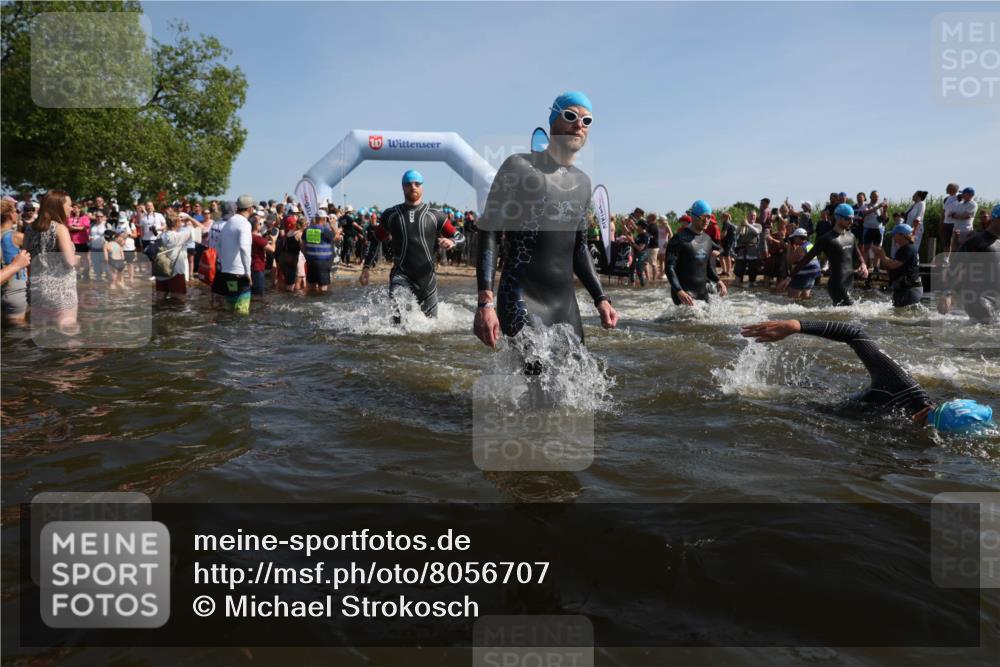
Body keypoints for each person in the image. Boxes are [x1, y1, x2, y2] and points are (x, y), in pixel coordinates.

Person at [473, 92, 618, 348]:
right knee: (538, 379)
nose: (579, 125)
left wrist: (601, 298)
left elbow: (580, 247)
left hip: (565, 305)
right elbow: (490, 231)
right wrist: (486, 302)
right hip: (520, 297)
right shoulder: (518, 166)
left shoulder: (583, 182)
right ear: (553, 121)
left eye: (587, 121)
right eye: (571, 116)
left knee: (577, 384)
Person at [741, 319, 994, 434]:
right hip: (819, 405)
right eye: (926, 424)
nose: (920, 425)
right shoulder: (902, 384)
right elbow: (855, 334)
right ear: (926, 413)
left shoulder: (911, 430)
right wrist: (796, 326)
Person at [360, 170, 463, 321]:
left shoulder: (436, 215)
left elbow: (460, 237)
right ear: (403, 187)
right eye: (408, 184)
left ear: (422, 187)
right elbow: (375, 239)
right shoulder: (391, 214)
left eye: (417, 184)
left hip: (427, 279)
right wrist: (366, 268)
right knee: (397, 326)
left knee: (432, 327)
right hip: (400, 276)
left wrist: (452, 242)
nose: (413, 187)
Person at [781, 203, 868, 306]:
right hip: (836, 284)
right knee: (849, 311)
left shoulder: (851, 236)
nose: (851, 222)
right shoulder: (827, 239)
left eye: (852, 219)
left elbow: (858, 255)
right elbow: (806, 259)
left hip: (849, 282)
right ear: (839, 218)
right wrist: (789, 277)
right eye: (848, 219)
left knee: (844, 314)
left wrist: (863, 265)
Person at [22, 190, 79, 334]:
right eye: (69, 205)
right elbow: (70, 261)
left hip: (37, 289)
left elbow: (26, 257)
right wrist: (77, 258)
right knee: (67, 333)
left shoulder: (29, 228)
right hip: (60, 290)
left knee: (44, 335)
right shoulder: (60, 229)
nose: (71, 208)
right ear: (59, 206)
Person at [940, 203, 1000, 324]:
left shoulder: (998, 242)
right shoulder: (976, 241)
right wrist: (948, 294)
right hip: (979, 301)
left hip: (996, 300)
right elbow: (956, 266)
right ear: (997, 219)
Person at [665, 199, 727, 306]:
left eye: (709, 217)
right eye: (704, 217)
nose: (707, 220)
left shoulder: (707, 239)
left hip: (702, 293)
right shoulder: (679, 239)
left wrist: (718, 280)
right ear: (693, 216)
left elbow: (706, 266)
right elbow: (669, 268)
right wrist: (679, 291)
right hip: (684, 295)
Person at [214, 195, 254, 314]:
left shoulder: (229, 222)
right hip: (240, 274)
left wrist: (223, 264)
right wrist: (248, 272)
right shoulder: (245, 224)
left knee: (230, 309)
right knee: (241, 312)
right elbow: (244, 248)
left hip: (226, 273)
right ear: (250, 209)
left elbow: (218, 245)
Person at [873, 224, 923, 307]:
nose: (893, 237)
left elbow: (893, 265)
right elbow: (893, 269)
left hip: (910, 289)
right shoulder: (906, 248)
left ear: (902, 235)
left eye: (894, 235)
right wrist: (882, 259)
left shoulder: (907, 249)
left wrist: (882, 255)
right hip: (906, 288)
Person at [154, 212, 192, 302]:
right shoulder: (179, 235)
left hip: (160, 271)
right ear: (177, 223)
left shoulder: (160, 236)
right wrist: (189, 219)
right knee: (179, 301)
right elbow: (199, 229)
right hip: (175, 271)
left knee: (160, 300)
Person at [1, 202, 28, 322]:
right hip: (14, 290)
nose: (18, 214)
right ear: (10, 215)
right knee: (17, 333)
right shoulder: (18, 237)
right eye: (16, 211)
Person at [303, 209, 339, 295]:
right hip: (323, 263)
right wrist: (333, 225)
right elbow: (336, 237)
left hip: (311, 261)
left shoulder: (307, 230)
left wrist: (306, 255)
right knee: (323, 288)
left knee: (311, 286)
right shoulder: (325, 231)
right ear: (324, 219)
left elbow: (303, 244)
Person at [785, 228, 820, 299]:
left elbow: (789, 260)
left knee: (791, 299)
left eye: (794, 238)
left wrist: (789, 246)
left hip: (804, 274)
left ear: (798, 238)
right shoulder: (810, 244)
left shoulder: (801, 248)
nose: (793, 240)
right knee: (804, 298)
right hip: (813, 274)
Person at [734, 209, 764, 286]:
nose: (752, 217)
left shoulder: (758, 225)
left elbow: (757, 232)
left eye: (754, 215)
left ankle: (752, 285)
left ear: (756, 216)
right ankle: (737, 286)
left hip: (753, 249)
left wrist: (748, 225)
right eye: (751, 215)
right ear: (748, 216)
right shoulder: (742, 225)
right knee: (739, 270)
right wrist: (741, 225)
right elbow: (736, 233)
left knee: (752, 271)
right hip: (742, 249)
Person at [250, 216, 276, 296]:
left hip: (249, 267)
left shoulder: (247, 236)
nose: (261, 225)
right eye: (260, 223)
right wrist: (274, 240)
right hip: (257, 267)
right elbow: (272, 249)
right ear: (257, 226)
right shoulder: (257, 238)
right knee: (258, 294)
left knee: (251, 293)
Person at [948, 187, 978, 252]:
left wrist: (955, 215)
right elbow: (950, 214)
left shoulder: (973, 204)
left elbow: (965, 216)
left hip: (965, 230)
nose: (962, 195)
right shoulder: (960, 203)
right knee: (953, 249)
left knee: (963, 248)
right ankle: (953, 262)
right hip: (956, 228)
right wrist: (956, 215)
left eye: (964, 193)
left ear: (970, 194)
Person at [67, 203, 91, 280]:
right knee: (75, 258)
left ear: (80, 209)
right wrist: (78, 227)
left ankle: (86, 274)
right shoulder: (70, 217)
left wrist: (74, 228)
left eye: (76, 207)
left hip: (82, 241)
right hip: (73, 241)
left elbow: (84, 228)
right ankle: (77, 273)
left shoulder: (84, 217)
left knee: (84, 258)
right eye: (73, 207)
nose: (74, 209)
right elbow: (69, 227)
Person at [902, 190, 928, 257]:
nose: (912, 196)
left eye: (914, 195)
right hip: (908, 229)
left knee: (914, 247)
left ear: (918, 196)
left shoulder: (921, 204)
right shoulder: (913, 204)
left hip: (916, 229)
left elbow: (919, 217)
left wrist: (914, 231)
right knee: (908, 247)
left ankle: (915, 263)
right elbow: (905, 215)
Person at [115, 212, 139, 282]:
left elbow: (135, 235)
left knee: (130, 263)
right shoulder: (116, 224)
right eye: (120, 220)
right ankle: (121, 280)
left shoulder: (130, 224)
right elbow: (114, 235)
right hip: (119, 247)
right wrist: (118, 235)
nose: (121, 222)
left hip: (129, 247)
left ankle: (131, 279)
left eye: (123, 220)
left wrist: (128, 234)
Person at [88, 211, 109, 282]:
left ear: (103, 217)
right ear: (95, 217)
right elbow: (89, 234)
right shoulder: (92, 225)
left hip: (104, 249)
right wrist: (89, 237)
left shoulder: (106, 225)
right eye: (97, 216)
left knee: (106, 267)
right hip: (94, 248)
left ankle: (108, 283)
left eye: (101, 216)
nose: (99, 218)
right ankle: (99, 283)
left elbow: (110, 237)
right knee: (96, 266)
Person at [941, 183, 960, 252]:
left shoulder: (959, 197)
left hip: (955, 223)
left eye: (948, 187)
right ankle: (946, 260)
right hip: (947, 222)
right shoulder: (947, 199)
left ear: (953, 189)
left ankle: (954, 259)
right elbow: (944, 211)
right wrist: (942, 222)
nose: (946, 189)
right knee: (946, 242)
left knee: (954, 242)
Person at [719, 212, 737, 277]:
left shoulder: (726, 223)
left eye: (721, 217)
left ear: (725, 217)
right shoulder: (731, 224)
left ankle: (728, 271)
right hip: (730, 243)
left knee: (727, 257)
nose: (721, 219)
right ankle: (724, 271)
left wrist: (719, 237)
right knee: (721, 256)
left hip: (727, 243)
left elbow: (724, 234)